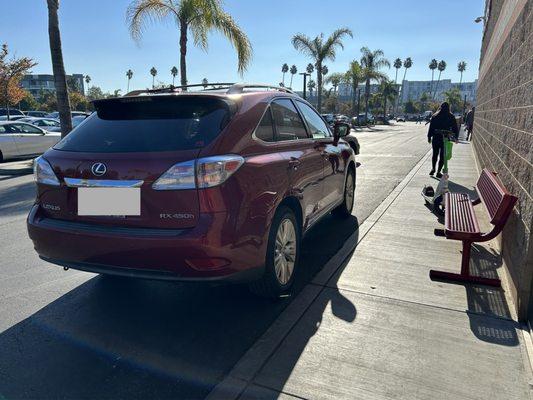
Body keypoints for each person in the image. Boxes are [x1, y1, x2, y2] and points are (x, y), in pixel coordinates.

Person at [427, 102, 459, 178]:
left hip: (436, 137)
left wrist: (429, 136)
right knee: (442, 156)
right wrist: (456, 137)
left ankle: (433, 168)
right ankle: (438, 171)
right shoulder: (451, 116)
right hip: (445, 138)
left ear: (440, 107)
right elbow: (455, 128)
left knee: (435, 154)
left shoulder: (435, 116)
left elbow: (431, 127)